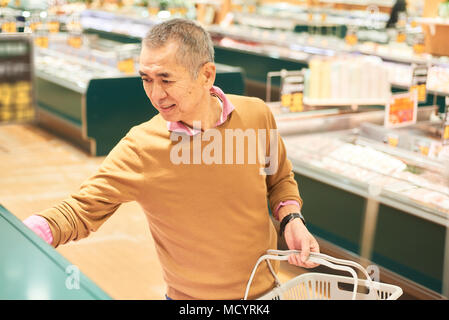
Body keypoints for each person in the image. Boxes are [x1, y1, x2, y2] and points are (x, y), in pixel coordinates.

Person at [23, 18, 320, 300]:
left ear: (206, 75)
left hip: (268, 293)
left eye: (166, 80)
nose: (155, 94)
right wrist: (24, 232)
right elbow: (80, 210)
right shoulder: (142, 147)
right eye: (147, 79)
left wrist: (291, 218)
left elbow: (279, 178)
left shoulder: (257, 115)